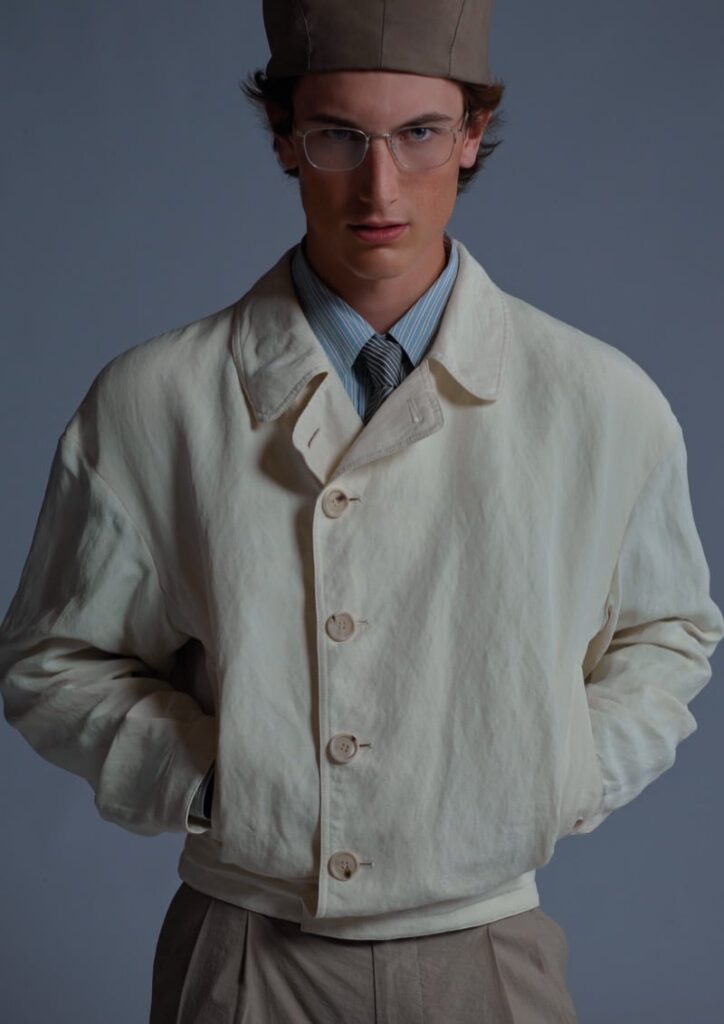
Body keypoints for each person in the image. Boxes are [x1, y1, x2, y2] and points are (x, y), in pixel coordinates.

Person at [1, 1, 722, 1021]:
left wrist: (555, 773)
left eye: (420, 132)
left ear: (471, 133)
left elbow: (670, 632)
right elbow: (51, 657)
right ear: (286, 138)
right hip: (244, 952)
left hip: (488, 952)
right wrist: (217, 783)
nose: (381, 185)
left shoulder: (600, 400)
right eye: (340, 134)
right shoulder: (153, 398)